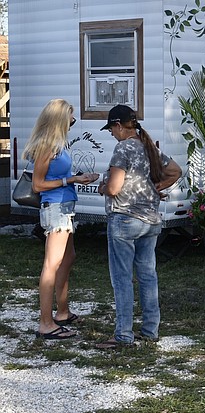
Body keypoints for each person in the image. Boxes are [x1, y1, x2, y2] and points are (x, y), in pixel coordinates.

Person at [96, 105, 182, 348]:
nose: (112, 133)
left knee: (122, 278)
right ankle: (150, 330)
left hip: (124, 219)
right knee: (147, 275)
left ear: (119, 125)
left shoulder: (123, 148)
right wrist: (154, 190)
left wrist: (102, 188)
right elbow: (176, 171)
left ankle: (123, 335)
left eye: (112, 128)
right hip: (151, 220)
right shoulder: (149, 147)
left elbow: (114, 188)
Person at [25, 99, 100, 340]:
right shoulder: (48, 146)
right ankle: (45, 323)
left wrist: (77, 177)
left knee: (68, 258)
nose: (73, 121)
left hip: (65, 206)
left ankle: (62, 311)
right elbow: (38, 185)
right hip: (55, 206)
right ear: (59, 119)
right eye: (71, 117)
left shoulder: (59, 144)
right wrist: (72, 181)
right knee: (52, 264)